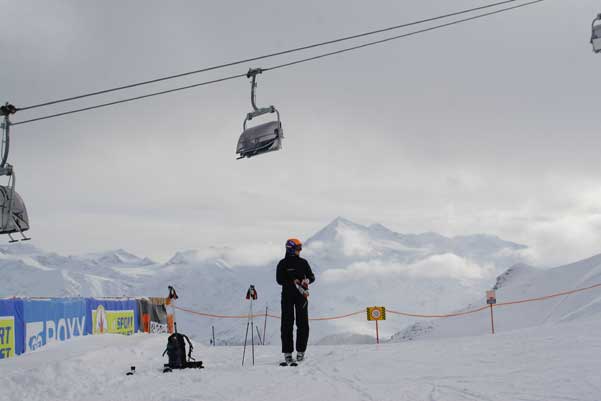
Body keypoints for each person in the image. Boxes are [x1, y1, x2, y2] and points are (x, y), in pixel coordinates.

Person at [276, 238, 315, 364]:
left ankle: (300, 352)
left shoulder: (303, 262)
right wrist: (292, 281)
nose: (300, 250)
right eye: (298, 248)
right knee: (287, 324)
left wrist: (307, 281)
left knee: (303, 324)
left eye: (300, 248)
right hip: (287, 296)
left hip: (301, 295)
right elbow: (279, 280)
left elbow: (312, 276)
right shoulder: (282, 263)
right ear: (291, 249)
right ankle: (288, 353)